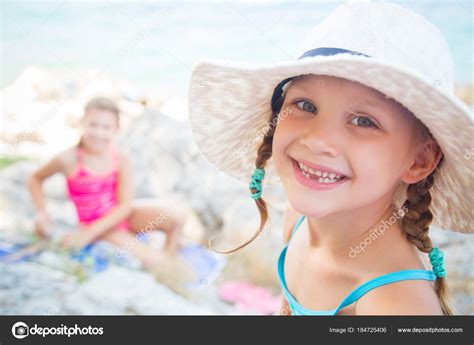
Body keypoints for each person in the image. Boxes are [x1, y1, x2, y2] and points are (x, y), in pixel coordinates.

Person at [187, 2, 473, 315]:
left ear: (418, 161)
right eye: (306, 105)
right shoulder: (297, 220)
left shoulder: (394, 305)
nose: (318, 140)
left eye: (364, 121)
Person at [28, 97, 184, 270]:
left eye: (106, 127)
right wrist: (42, 213)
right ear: (82, 123)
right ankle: (163, 265)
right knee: (155, 262)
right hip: (97, 226)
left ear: (116, 130)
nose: (99, 133)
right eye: (93, 125)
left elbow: (125, 206)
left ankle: (171, 257)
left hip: (122, 216)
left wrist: (86, 236)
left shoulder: (121, 159)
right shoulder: (68, 159)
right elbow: (35, 178)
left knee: (177, 216)